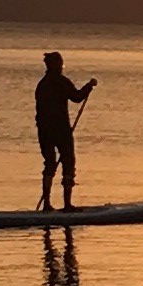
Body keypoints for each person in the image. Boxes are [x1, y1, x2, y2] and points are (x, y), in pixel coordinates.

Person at [33, 50, 96, 211]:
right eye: (60, 64)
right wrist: (89, 86)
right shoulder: (60, 82)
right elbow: (76, 97)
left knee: (50, 164)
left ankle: (47, 204)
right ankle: (67, 205)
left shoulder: (42, 84)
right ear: (56, 65)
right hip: (60, 130)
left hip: (44, 130)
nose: (61, 66)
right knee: (68, 163)